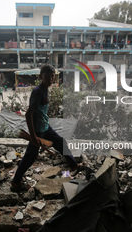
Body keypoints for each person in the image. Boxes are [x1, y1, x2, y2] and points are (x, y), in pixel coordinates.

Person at [11, 64, 84, 192]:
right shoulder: (38, 91)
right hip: (38, 131)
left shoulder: (45, 89)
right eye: (47, 77)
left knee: (60, 142)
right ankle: (16, 182)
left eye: (52, 77)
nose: (50, 79)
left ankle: (73, 165)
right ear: (40, 77)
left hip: (45, 127)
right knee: (30, 157)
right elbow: (29, 114)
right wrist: (33, 137)